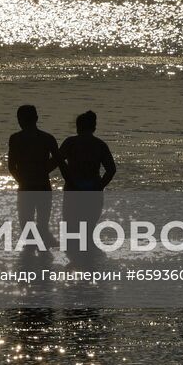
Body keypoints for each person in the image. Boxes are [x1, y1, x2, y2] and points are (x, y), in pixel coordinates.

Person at [56, 110, 117, 262]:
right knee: (88, 231)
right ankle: (89, 268)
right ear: (94, 127)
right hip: (93, 190)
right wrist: (100, 186)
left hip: (73, 189)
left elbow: (57, 160)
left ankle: (76, 267)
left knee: (71, 231)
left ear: (77, 127)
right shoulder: (100, 145)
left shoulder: (70, 142)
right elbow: (111, 170)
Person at [7, 104, 59, 248]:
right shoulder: (47, 138)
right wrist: (44, 171)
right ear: (36, 118)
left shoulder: (16, 138)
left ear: (19, 120)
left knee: (26, 226)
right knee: (42, 225)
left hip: (26, 187)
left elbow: (11, 167)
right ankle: (44, 262)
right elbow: (58, 160)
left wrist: (22, 180)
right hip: (42, 185)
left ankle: (30, 262)